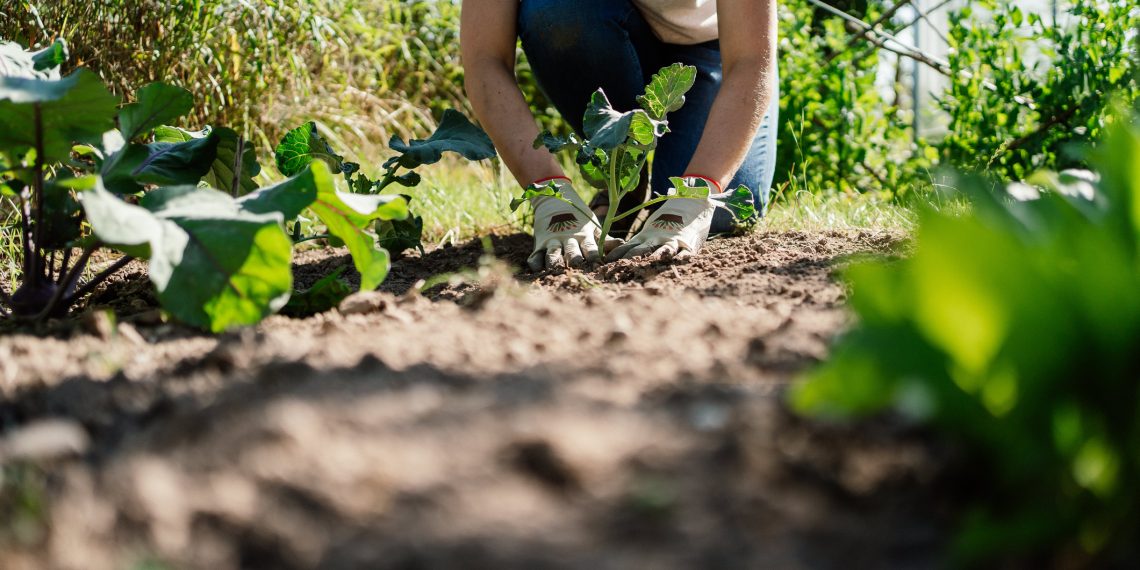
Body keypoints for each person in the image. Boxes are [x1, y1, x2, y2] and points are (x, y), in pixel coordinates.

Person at [460, 0, 778, 270]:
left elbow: (750, 60)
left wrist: (698, 191)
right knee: (556, 11)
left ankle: (639, 181)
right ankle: (623, 179)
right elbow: (486, 59)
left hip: (714, 50)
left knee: (727, 213)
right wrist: (548, 192)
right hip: (599, 25)